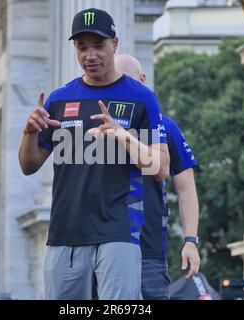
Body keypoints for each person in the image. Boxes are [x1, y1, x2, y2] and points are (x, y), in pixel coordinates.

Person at [19, 8, 170, 300]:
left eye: (98, 45)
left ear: (115, 43)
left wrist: (123, 136)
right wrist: (29, 133)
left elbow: (161, 168)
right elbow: (29, 165)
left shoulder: (141, 97)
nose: (90, 55)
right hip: (65, 232)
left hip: (119, 232)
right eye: (82, 47)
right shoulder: (59, 99)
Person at [115, 54, 200, 300]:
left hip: (150, 250)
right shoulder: (100, 127)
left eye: (130, 83)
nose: (126, 91)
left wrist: (191, 240)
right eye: (119, 84)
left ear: (143, 80)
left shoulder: (166, 126)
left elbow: (186, 188)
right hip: (104, 245)